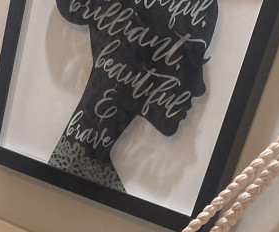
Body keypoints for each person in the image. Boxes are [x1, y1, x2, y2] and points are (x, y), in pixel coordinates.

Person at [48, 0, 219, 191]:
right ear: (133, 51)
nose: (199, 87)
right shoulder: (74, 175)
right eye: (190, 58)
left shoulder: (70, 169)